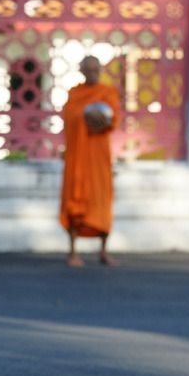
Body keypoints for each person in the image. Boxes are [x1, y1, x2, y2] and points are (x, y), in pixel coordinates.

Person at [60, 55, 120, 267]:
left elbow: (114, 119)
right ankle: (72, 252)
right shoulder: (75, 94)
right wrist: (85, 115)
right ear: (82, 71)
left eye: (96, 70)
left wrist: (101, 117)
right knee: (75, 200)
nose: (93, 74)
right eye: (89, 70)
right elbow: (70, 116)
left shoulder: (107, 92)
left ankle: (103, 250)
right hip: (78, 156)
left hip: (99, 156)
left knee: (102, 199)